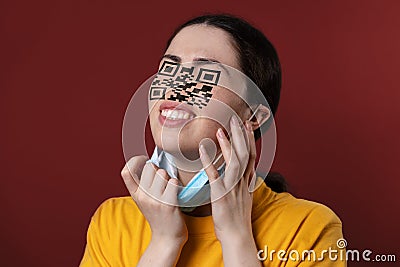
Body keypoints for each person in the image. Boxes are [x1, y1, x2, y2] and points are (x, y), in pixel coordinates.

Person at [80, 14, 346, 267]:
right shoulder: (113, 222)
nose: (177, 86)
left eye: (204, 74)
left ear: (253, 115)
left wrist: (235, 235)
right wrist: (163, 242)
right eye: (168, 68)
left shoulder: (308, 228)